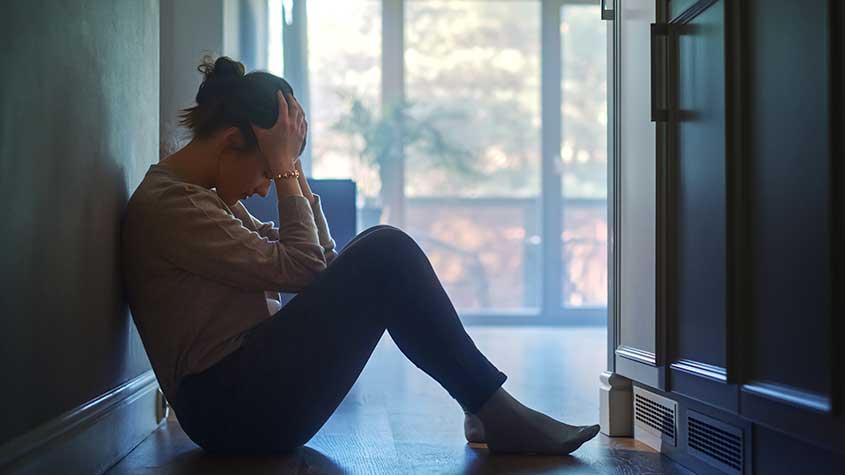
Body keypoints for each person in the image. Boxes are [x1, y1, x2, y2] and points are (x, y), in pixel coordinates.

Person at [121, 56, 601, 456]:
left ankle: (486, 409)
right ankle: (490, 410)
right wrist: (287, 170)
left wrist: (292, 171)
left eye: (276, 173)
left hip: (244, 397)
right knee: (386, 249)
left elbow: (318, 268)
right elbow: (305, 266)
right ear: (230, 143)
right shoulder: (175, 206)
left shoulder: (200, 199)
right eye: (268, 170)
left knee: (381, 247)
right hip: (231, 412)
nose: (265, 187)